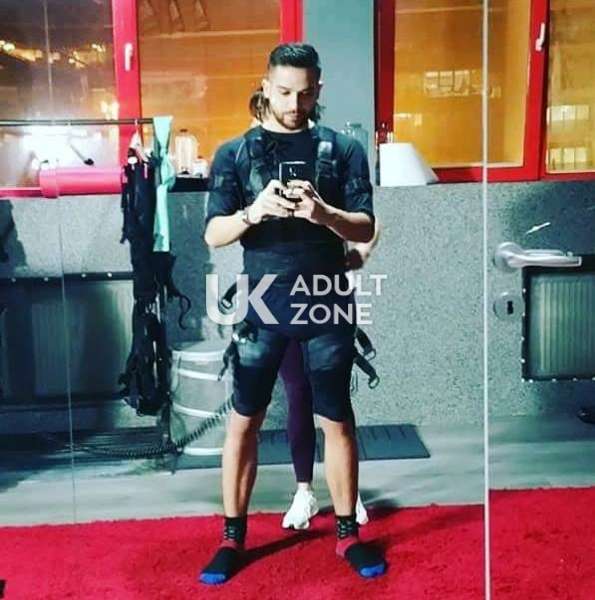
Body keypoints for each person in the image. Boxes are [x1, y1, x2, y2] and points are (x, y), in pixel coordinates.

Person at [200, 43, 386, 584]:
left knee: (337, 418)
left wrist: (324, 213)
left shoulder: (343, 149)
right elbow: (213, 233)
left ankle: (348, 534)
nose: (293, 103)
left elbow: (366, 226)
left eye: (304, 93)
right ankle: (232, 537)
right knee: (244, 419)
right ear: (266, 85)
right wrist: (254, 211)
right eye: (283, 92)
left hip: (326, 297)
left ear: (318, 89)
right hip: (263, 300)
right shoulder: (235, 153)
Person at [248, 87, 379, 530]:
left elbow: (368, 222)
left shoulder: (333, 156)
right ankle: (304, 491)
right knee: (297, 393)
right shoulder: (254, 165)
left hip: (326, 295)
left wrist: (360, 252)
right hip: (277, 297)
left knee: (334, 403)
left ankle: (348, 494)